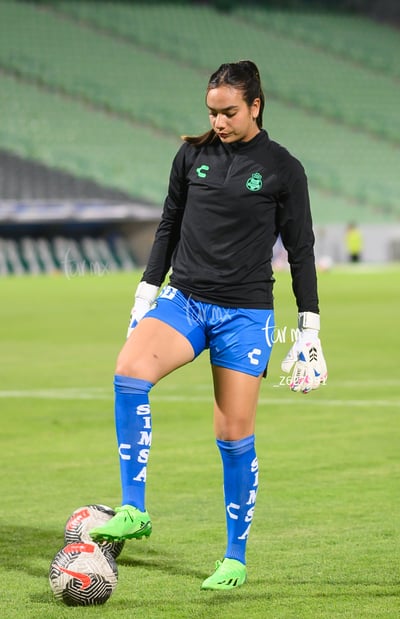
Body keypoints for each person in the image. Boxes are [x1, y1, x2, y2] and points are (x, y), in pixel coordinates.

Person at [90, 60, 327, 590]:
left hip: (245, 313)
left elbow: (301, 249)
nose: (218, 121)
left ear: (255, 106)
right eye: (212, 112)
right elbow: (169, 222)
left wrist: (308, 328)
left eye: (228, 112)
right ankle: (134, 509)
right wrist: (146, 291)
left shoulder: (284, 169)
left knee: (233, 432)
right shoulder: (192, 155)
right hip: (186, 300)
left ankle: (235, 557)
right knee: (129, 371)